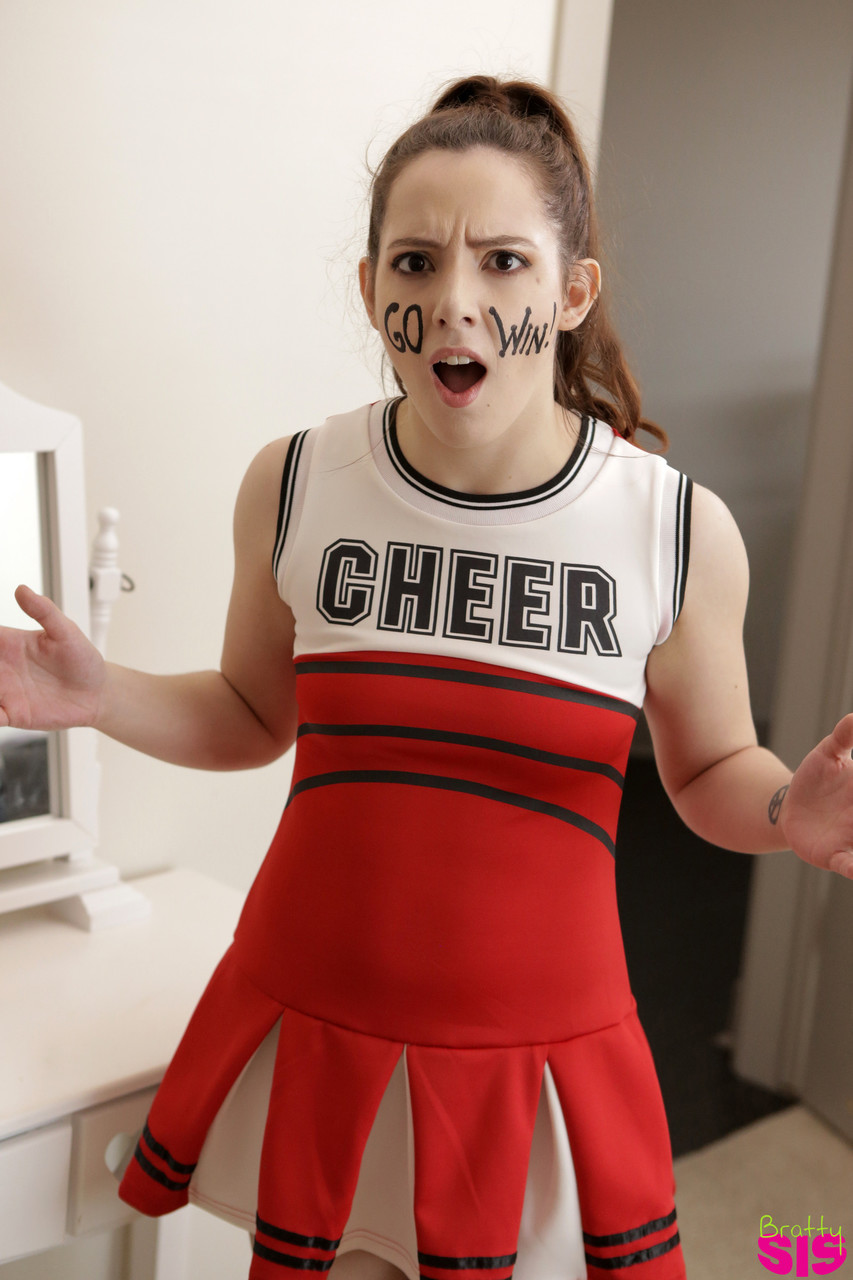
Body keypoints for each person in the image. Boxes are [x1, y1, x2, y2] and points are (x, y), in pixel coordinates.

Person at [2, 75, 852, 1280]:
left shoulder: (673, 529)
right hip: (313, 1015)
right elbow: (249, 712)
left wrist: (784, 810)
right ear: (370, 290)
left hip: (533, 1057)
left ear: (571, 292)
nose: (454, 300)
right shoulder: (296, 482)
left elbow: (710, 765)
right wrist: (101, 695)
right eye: (414, 262)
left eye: (503, 261)